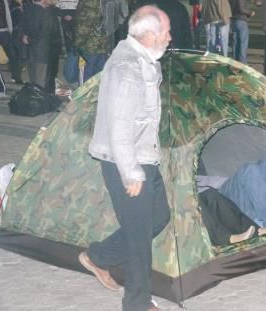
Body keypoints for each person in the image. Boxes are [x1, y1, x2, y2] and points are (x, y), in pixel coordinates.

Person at [79, 5, 171, 311]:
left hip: (143, 154)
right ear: (149, 34)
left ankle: (99, 256)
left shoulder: (142, 60)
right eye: (166, 32)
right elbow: (119, 125)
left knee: (158, 218)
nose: (170, 37)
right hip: (127, 160)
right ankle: (138, 304)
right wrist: (131, 173)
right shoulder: (128, 67)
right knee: (138, 239)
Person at [21, 0, 62, 94]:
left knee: (33, 77)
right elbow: (43, 32)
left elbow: (23, 27)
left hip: (31, 50)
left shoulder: (29, 9)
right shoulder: (46, 12)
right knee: (40, 80)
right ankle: (39, 102)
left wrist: (26, 37)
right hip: (42, 50)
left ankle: (34, 100)